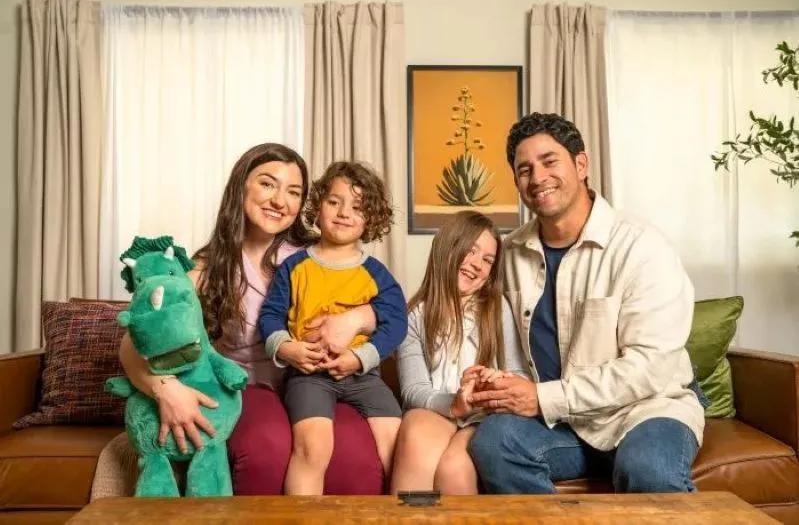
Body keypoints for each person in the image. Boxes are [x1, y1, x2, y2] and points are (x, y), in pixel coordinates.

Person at [92, 143, 385, 498]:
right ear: (241, 187)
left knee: (355, 457)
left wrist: (359, 316)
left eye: (294, 192)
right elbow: (134, 343)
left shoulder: (318, 256)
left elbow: (388, 305)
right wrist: (166, 390)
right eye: (267, 184)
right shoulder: (205, 268)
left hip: (316, 384)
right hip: (245, 388)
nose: (280, 200)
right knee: (265, 451)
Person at [466, 113, 705, 494]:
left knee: (649, 469)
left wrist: (543, 397)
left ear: (581, 164)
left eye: (549, 161)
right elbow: (466, 314)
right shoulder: (509, 253)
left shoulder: (643, 246)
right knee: (494, 443)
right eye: (524, 169)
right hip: (556, 423)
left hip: (644, 410)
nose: (537, 177)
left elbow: (650, 368)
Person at [258, 161, 407, 495]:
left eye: (357, 207)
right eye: (334, 201)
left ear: (371, 220)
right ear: (318, 204)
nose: (344, 213)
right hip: (308, 375)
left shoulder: (376, 273)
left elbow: (396, 322)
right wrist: (287, 348)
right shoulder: (294, 267)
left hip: (364, 376)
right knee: (314, 447)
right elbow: (270, 316)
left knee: (398, 445)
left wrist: (360, 357)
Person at [390, 211, 528, 495]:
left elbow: (520, 374)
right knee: (417, 435)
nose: (477, 264)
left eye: (488, 260)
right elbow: (414, 391)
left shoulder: (497, 308)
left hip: (482, 416)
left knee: (456, 468)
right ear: (448, 248)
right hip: (438, 410)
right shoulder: (415, 315)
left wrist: (496, 379)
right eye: (471, 251)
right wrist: (453, 403)